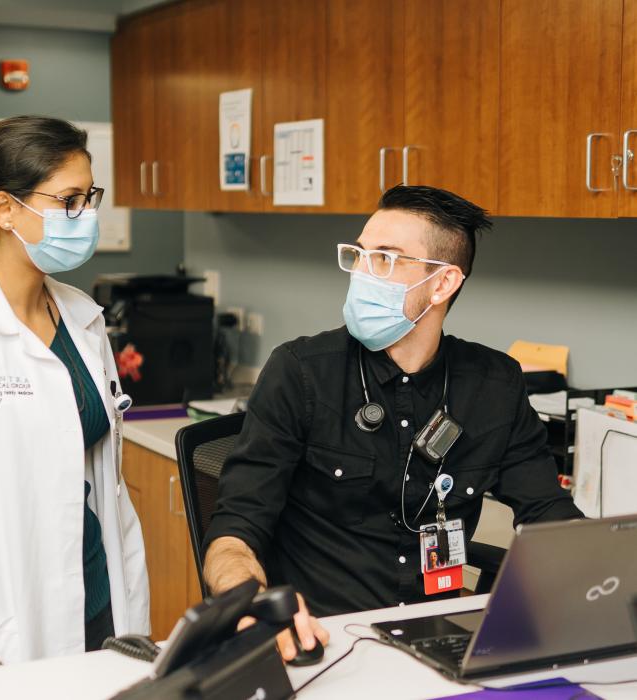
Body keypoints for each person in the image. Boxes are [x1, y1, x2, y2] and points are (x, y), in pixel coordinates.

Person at [202, 184, 585, 661]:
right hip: (321, 641)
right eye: (360, 254)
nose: (363, 272)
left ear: (443, 283)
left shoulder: (495, 384)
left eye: (386, 258)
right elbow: (235, 529)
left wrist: (598, 581)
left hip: (438, 642)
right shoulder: (301, 372)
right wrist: (252, 603)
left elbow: (548, 513)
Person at [0, 115, 150, 662]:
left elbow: (102, 478)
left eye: (90, 197)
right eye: (70, 200)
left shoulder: (82, 319)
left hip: (96, 590)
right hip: (2, 612)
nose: (87, 216)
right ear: (4, 209)